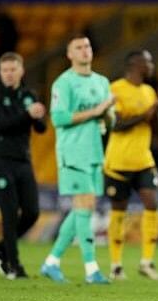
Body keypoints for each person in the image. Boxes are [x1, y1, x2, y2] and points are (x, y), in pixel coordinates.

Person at [40, 35, 115, 284]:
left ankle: (51, 262)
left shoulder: (102, 82)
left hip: (94, 152)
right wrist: (95, 111)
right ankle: (91, 268)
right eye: (78, 48)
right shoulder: (63, 83)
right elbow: (59, 118)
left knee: (83, 208)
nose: (85, 51)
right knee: (84, 207)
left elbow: (109, 119)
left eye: (87, 46)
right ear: (69, 55)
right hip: (72, 152)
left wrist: (106, 116)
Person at [105, 50, 158, 281]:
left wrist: (156, 111)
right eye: (149, 61)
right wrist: (145, 114)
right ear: (136, 64)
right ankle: (115, 265)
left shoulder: (149, 90)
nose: (152, 65)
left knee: (152, 203)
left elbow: (155, 127)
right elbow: (116, 125)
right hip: (118, 162)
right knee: (118, 210)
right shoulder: (115, 89)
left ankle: (146, 262)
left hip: (143, 160)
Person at [0, 52, 46, 279]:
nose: (8, 74)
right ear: (0, 72)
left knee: (32, 212)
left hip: (23, 160)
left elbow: (40, 129)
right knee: (9, 213)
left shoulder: (28, 95)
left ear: (21, 70)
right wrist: (26, 115)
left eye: (13, 69)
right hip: (0, 160)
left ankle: (0, 247)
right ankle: (13, 265)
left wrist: (38, 116)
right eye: (5, 70)